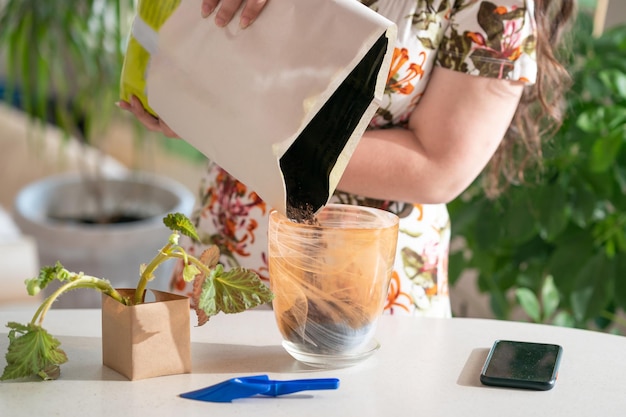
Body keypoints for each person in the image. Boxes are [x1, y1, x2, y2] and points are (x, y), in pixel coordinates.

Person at [120, 0, 576, 317]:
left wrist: (229, 124)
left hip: (367, 288)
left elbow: (439, 167)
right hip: (228, 251)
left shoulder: (494, 8)